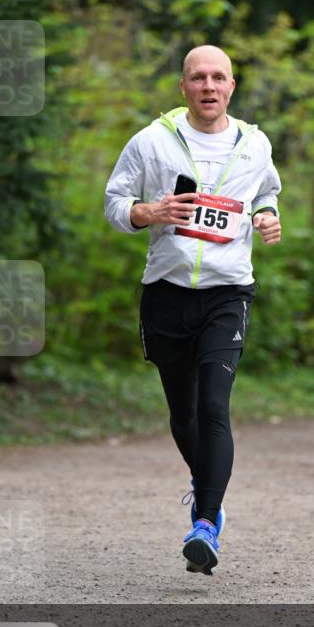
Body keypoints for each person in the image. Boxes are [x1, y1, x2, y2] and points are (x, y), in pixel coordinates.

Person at [104, 44, 281, 575]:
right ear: (183, 87)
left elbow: (265, 196)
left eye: (218, 77)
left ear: (232, 87)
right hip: (166, 293)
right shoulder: (151, 141)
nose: (209, 86)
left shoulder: (254, 143)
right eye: (198, 77)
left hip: (228, 294)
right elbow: (114, 203)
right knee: (182, 415)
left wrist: (269, 217)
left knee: (213, 406)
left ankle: (204, 524)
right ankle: (209, 491)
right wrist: (149, 211)